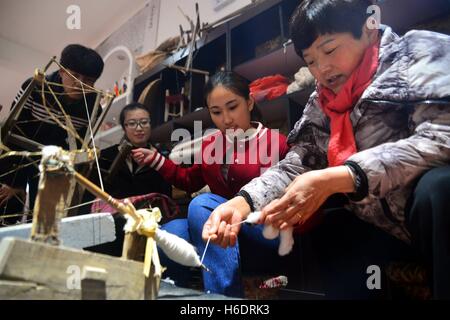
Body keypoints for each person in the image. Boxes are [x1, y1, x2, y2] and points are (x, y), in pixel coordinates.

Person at [202, 0, 450, 299]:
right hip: (382, 225)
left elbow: (441, 136)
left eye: (330, 50)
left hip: (427, 217)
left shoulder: (418, 53)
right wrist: (242, 202)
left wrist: (345, 176)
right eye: (310, 61)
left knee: (438, 186)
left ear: (368, 28)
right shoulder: (321, 102)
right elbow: (300, 162)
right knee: (336, 228)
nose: (322, 69)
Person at [132, 71, 290, 297]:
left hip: (265, 234)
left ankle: (223, 296)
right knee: (166, 233)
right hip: (224, 235)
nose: (226, 119)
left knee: (203, 203)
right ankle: (180, 294)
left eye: (233, 107)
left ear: (249, 102)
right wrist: (157, 160)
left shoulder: (276, 143)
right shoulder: (211, 145)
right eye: (216, 112)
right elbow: (188, 180)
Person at [7, 44, 104, 211]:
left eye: (88, 81)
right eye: (75, 76)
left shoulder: (94, 106)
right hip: (17, 160)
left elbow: (80, 148)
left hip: (55, 169)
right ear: (62, 72)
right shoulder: (34, 87)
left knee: (44, 219)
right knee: (8, 205)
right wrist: (14, 182)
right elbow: (11, 133)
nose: (80, 85)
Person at [85, 102, 172, 256]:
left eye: (144, 122)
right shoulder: (106, 157)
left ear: (151, 124)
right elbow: (91, 197)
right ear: (124, 127)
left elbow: (166, 200)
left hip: (145, 226)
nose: (139, 128)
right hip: (108, 226)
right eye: (132, 123)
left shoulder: (161, 161)